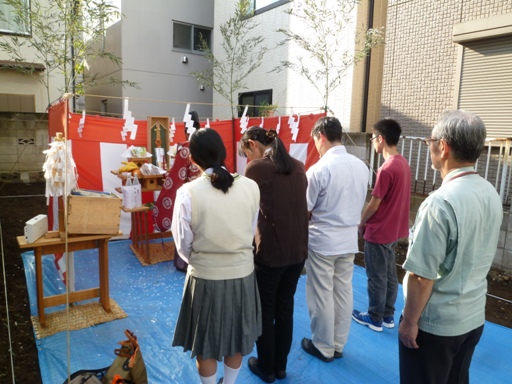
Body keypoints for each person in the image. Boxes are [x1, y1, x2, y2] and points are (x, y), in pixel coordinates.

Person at [398, 110, 503, 384]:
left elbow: (422, 277)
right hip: (472, 316)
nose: (429, 145)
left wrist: (409, 322)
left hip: (436, 326)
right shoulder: (489, 191)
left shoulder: (440, 203)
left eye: (430, 140)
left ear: (443, 147)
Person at [171, 128, 262, 384]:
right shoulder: (251, 187)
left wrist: (202, 261)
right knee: (237, 339)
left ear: (192, 158)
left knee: (206, 345)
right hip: (243, 274)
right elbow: (250, 230)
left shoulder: (188, 192)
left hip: (205, 277)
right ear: (223, 152)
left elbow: (183, 244)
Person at [239, 127, 308, 383]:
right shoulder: (299, 166)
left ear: (253, 144)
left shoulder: (257, 169)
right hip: (298, 251)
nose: (247, 158)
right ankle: (280, 367)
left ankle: (266, 368)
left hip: (270, 252)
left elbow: (245, 207)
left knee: (265, 311)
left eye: (246, 152)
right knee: (285, 308)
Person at [302, 116, 369, 362]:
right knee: (343, 291)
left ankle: (323, 345)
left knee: (322, 293)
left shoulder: (318, 169)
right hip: (349, 238)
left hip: (323, 239)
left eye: (315, 141)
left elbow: (305, 207)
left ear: (321, 136)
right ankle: (338, 344)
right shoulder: (361, 166)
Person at [352, 118, 411, 332]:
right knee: (389, 275)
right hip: (394, 230)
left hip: (379, 231)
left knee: (376, 276)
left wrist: (361, 222)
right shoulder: (403, 163)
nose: (371, 141)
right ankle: (387, 315)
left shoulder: (386, 168)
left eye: (373, 137)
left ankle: (375, 316)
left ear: (381, 139)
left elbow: (374, 203)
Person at [152, 110, 201, 272]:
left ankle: (184, 262)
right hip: (208, 194)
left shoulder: (186, 148)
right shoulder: (207, 144)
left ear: (186, 130)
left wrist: (161, 202)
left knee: (186, 228)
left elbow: (175, 179)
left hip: (190, 197)